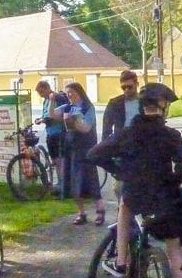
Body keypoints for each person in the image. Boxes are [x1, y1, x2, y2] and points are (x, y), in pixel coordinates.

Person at [87, 82, 182, 278]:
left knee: (125, 206)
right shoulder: (171, 135)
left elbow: (94, 154)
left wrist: (121, 172)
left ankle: (121, 261)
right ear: (163, 106)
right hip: (166, 200)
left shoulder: (127, 133)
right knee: (175, 251)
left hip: (136, 195)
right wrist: (168, 180)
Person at [50, 81, 106, 225]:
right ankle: (81, 213)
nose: (69, 95)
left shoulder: (88, 107)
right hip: (71, 149)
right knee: (74, 182)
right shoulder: (67, 107)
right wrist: (51, 101)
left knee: (91, 181)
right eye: (67, 93)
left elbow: (86, 128)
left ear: (79, 92)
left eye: (72, 92)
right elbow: (53, 115)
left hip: (86, 150)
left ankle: (100, 211)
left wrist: (74, 121)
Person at [35, 80, 69, 194]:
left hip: (58, 132)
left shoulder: (57, 98)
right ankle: (59, 182)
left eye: (41, 92)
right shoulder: (46, 100)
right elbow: (46, 114)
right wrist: (41, 119)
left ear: (47, 88)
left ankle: (63, 184)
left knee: (59, 160)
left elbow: (59, 115)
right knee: (54, 159)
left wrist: (44, 120)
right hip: (50, 132)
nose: (41, 95)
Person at [102, 70, 139, 140]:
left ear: (137, 84)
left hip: (140, 140)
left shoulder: (144, 102)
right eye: (123, 87)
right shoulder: (114, 103)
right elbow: (106, 128)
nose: (126, 90)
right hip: (121, 140)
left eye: (129, 87)